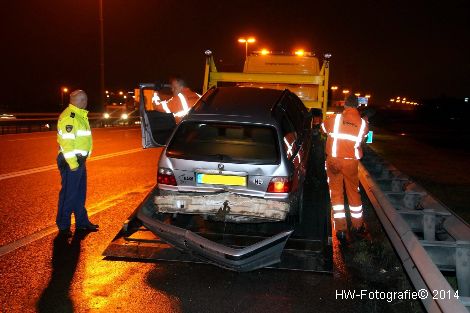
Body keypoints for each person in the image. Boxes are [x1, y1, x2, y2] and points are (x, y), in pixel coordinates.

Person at [321, 94, 369, 242]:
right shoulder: (362, 124)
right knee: (353, 193)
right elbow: (365, 136)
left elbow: (323, 129)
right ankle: (358, 226)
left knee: (336, 194)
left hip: (333, 160)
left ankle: (341, 229)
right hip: (350, 163)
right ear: (357, 106)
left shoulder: (334, 119)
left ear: (345, 105)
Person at [56, 90, 99, 237]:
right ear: (74, 101)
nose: (85, 102)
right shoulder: (70, 117)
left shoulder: (80, 115)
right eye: (82, 100)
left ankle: (81, 222)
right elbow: (67, 144)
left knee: (79, 194)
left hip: (79, 160)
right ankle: (63, 226)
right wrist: (73, 164)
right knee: (69, 194)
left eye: (85, 99)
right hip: (71, 161)